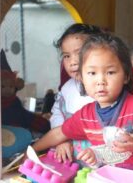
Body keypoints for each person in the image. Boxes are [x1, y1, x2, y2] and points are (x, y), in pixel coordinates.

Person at [31, 33, 133, 180]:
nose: (100, 80)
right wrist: (32, 150)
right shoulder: (85, 116)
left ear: (126, 76)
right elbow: (59, 133)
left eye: (110, 72)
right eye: (92, 73)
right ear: (82, 78)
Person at [50, 23, 103, 162]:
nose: (72, 62)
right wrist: (61, 141)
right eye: (66, 56)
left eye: (79, 53)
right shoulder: (67, 88)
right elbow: (57, 113)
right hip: (72, 156)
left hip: (101, 157)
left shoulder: (105, 87)